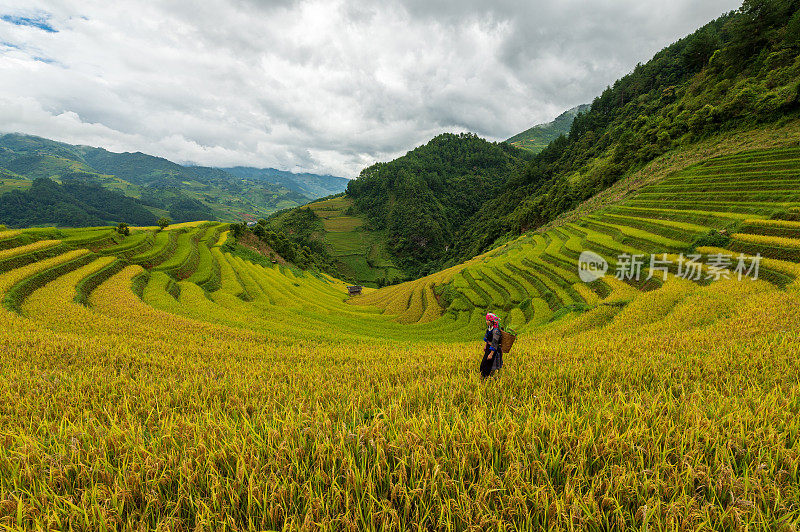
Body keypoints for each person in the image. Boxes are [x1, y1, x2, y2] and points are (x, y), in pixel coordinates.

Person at [480, 312, 503, 379]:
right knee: (484, 363)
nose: (486, 321)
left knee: (491, 364)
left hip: (494, 350)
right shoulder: (489, 328)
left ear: (491, 321)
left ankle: (491, 377)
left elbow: (495, 343)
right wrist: (485, 346)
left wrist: (491, 354)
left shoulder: (496, 331)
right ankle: (485, 376)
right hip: (488, 348)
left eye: (487, 320)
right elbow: (487, 338)